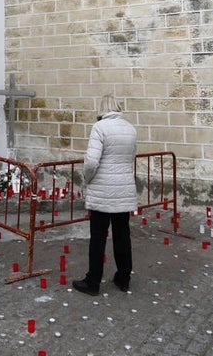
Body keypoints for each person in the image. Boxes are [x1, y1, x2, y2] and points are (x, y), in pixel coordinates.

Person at [73, 94, 138, 295]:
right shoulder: (130, 128)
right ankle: (124, 277)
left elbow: (91, 162)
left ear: (102, 108)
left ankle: (93, 281)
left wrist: (88, 178)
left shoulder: (99, 128)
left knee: (98, 237)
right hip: (124, 188)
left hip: (103, 189)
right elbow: (131, 157)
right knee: (122, 235)